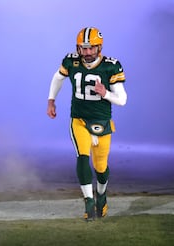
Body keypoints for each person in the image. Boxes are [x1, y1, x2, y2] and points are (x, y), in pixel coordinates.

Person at [47, 27, 127, 221]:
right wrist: (51, 100)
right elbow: (58, 77)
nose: (88, 52)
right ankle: (89, 200)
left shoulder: (111, 66)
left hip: (102, 121)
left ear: (99, 48)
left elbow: (122, 99)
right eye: (84, 48)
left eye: (92, 48)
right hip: (79, 120)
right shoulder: (71, 61)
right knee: (82, 157)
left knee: (101, 167)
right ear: (78, 48)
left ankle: (101, 195)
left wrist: (105, 93)